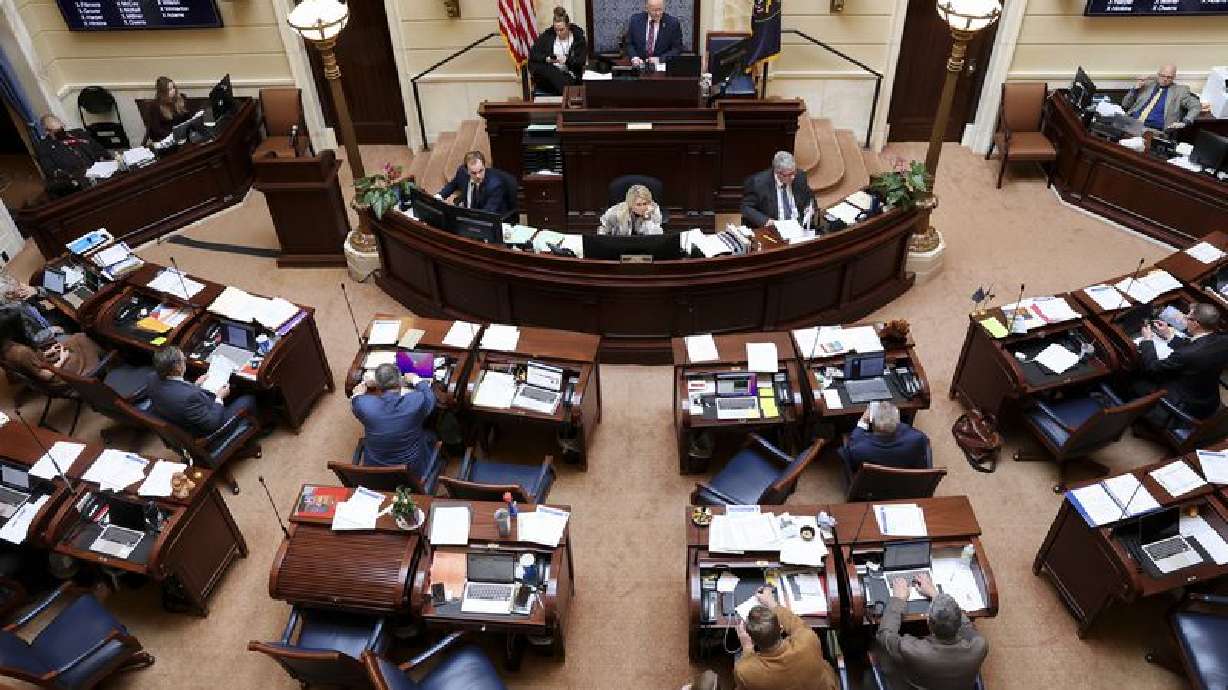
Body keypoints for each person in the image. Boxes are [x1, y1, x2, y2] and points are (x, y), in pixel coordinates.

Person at [874, 573, 988, 690]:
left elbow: (884, 635)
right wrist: (935, 594)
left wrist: (898, 599)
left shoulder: (910, 649)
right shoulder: (979, 645)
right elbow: (967, 626)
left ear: (928, 623)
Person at [734, 586, 838, 690]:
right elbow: (795, 623)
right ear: (781, 628)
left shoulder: (745, 670)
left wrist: (747, 647)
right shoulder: (808, 640)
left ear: (752, 641)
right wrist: (772, 603)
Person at [1136, 302, 1228, 421]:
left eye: (1188, 317)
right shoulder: (1224, 340)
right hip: (1209, 400)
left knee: (1137, 382)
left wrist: (1147, 340)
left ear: (1196, 324)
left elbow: (1152, 366)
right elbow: (1200, 347)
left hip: (1185, 405)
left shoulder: (1185, 354)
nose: (1185, 318)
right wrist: (1169, 335)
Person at [148, 345, 257, 437]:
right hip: (205, 432)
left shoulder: (152, 378)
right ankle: (258, 429)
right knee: (248, 399)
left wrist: (195, 385)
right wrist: (219, 398)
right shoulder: (189, 397)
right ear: (177, 367)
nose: (185, 360)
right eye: (183, 359)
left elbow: (177, 394)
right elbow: (213, 423)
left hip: (181, 419)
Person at [350, 363, 437, 471]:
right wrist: (416, 380)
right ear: (400, 382)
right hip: (410, 472)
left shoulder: (363, 405)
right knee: (431, 435)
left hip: (374, 471)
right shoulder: (416, 400)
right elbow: (430, 399)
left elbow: (355, 399)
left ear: (377, 385)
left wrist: (364, 385)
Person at [0, 310, 100, 393]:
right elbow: (46, 375)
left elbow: (34, 362)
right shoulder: (20, 352)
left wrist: (50, 352)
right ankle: (102, 367)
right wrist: (62, 358)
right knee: (83, 340)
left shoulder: (7, 348)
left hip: (47, 367)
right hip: (57, 378)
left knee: (75, 338)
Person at [843, 401, 931, 473]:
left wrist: (862, 422)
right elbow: (912, 433)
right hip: (906, 484)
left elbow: (852, 452)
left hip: (872, 488)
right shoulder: (917, 439)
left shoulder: (859, 449)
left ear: (872, 424)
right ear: (898, 423)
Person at [741, 151, 819, 230]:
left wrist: (810, 208)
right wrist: (765, 221)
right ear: (777, 172)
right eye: (788, 175)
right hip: (774, 228)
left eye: (794, 172)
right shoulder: (758, 183)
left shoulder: (800, 176)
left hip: (798, 225)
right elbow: (746, 207)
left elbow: (810, 197)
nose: (793, 177)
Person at [1121, 65, 1203, 132]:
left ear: (1174, 77)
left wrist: (1185, 122)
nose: (1165, 79)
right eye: (1162, 76)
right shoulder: (1147, 85)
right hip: (1131, 122)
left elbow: (1196, 106)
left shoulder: (1180, 91)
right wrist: (1135, 89)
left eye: (1169, 77)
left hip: (1152, 130)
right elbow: (1125, 105)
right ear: (1158, 74)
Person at [528, 7, 588, 97]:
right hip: (549, 75)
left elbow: (580, 62)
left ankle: (567, 93)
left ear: (568, 26)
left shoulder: (578, 39)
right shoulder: (548, 35)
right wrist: (546, 59)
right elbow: (533, 54)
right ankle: (569, 93)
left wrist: (566, 60)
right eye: (556, 29)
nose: (558, 33)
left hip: (569, 75)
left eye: (562, 29)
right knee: (548, 69)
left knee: (564, 78)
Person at [0, 273, 72, 346]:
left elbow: (54, 289)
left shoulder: (19, 297)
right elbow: (33, 339)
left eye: (19, 284)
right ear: (9, 295)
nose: (23, 287)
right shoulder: (12, 315)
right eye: (19, 287)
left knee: (69, 316)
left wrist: (36, 290)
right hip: (45, 336)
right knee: (76, 341)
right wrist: (52, 331)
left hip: (45, 319)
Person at [33, 114, 107, 184]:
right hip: (77, 179)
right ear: (47, 132)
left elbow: (100, 150)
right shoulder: (43, 147)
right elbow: (51, 170)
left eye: (62, 128)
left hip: (99, 171)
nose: (62, 133)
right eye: (57, 131)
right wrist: (73, 175)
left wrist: (102, 161)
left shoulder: (79, 133)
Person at [437, 151, 513, 216]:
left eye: (481, 171)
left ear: (484, 166)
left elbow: (487, 213)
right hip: (467, 211)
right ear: (467, 170)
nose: (478, 176)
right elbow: (453, 184)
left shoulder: (495, 186)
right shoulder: (462, 172)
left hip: (485, 217)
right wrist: (439, 196)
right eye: (473, 173)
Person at [626, 0, 684, 67]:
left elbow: (677, 48)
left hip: (662, 66)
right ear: (646, 8)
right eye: (654, 10)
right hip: (639, 65)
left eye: (660, 9)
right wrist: (634, 57)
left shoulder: (672, 23)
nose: (658, 13)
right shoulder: (635, 20)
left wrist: (660, 59)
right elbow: (629, 43)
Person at [599, 184, 664, 236]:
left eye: (645, 203)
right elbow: (602, 232)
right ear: (630, 204)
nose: (642, 207)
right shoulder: (614, 212)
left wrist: (647, 218)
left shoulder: (654, 209)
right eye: (638, 204)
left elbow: (656, 237)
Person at [147, 76, 191, 142]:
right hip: (167, 139)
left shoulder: (180, 98)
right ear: (162, 93)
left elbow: (187, 118)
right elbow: (157, 130)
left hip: (184, 136)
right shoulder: (155, 106)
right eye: (169, 90)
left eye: (173, 87)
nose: (173, 91)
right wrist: (175, 136)